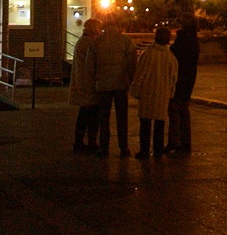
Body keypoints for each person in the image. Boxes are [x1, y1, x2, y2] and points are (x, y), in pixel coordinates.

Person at [87, 15, 136, 157]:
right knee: (122, 117)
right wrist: (131, 79)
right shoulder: (125, 42)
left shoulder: (96, 43)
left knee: (104, 118)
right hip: (121, 84)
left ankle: (104, 148)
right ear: (117, 26)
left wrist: (94, 79)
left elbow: (89, 66)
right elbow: (132, 64)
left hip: (103, 85)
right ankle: (123, 147)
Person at [131, 27, 178, 158]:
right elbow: (173, 78)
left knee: (145, 123)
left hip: (147, 92)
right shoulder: (170, 57)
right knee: (159, 123)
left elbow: (140, 73)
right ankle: (158, 150)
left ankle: (144, 150)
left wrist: (136, 90)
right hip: (162, 93)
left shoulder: (147, 54)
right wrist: (170, 92)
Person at [166, 17, 200, 155]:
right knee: (184, 110)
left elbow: (173, 55)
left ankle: (174, 142)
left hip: (179, 79)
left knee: (174, 111)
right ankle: (186, 141)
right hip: (189, 79)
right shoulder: (194, 41)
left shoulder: (182, 41)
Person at [69, 18, 102, 153]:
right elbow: (92, 65)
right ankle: (91, 141)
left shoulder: (81, 42)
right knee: (92, 115)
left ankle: (79, 140)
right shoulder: (90, 43)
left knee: (84, 114)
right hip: (89, 85)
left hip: (82, 83)